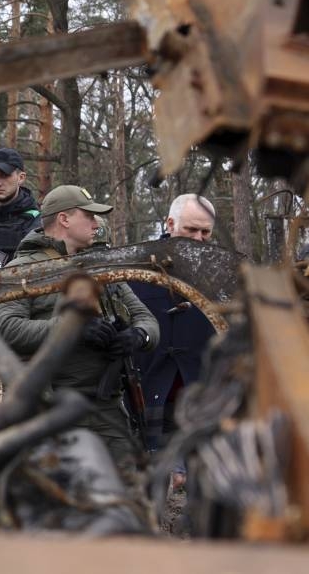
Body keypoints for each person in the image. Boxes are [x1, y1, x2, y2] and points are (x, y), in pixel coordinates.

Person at [0, 185, 159, 466]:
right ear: (64, 220)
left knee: (127, 491)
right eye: (89, 216)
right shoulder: (22, 270)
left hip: (107, 407)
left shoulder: (99, 265)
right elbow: (7, 328)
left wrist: (138, 336)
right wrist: (73, 329)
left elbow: (147, 320)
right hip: (51, 408)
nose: (96, 224)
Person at [129, 194, 216, 486]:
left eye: (205, 232)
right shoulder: (137, 266)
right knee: (150, 481)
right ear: (169, 223)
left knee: (204, 481)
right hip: (151, 387)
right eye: (191, 230)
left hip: (199, 392)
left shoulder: (219, 273)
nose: (199, 238)